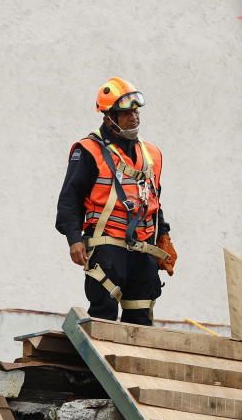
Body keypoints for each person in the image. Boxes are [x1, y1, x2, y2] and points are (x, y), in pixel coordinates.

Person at [56, 77, 176, 325]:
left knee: (141, 321)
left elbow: (153, 200)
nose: (134, 118)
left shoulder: (151, 155)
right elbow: (69, 199)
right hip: (107, 247)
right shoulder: (88, 151)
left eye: (136, 112)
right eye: (125, 113)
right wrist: (74, 239)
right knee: (103, 319)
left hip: (142, 251)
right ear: (109, 117)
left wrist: (163, 236)